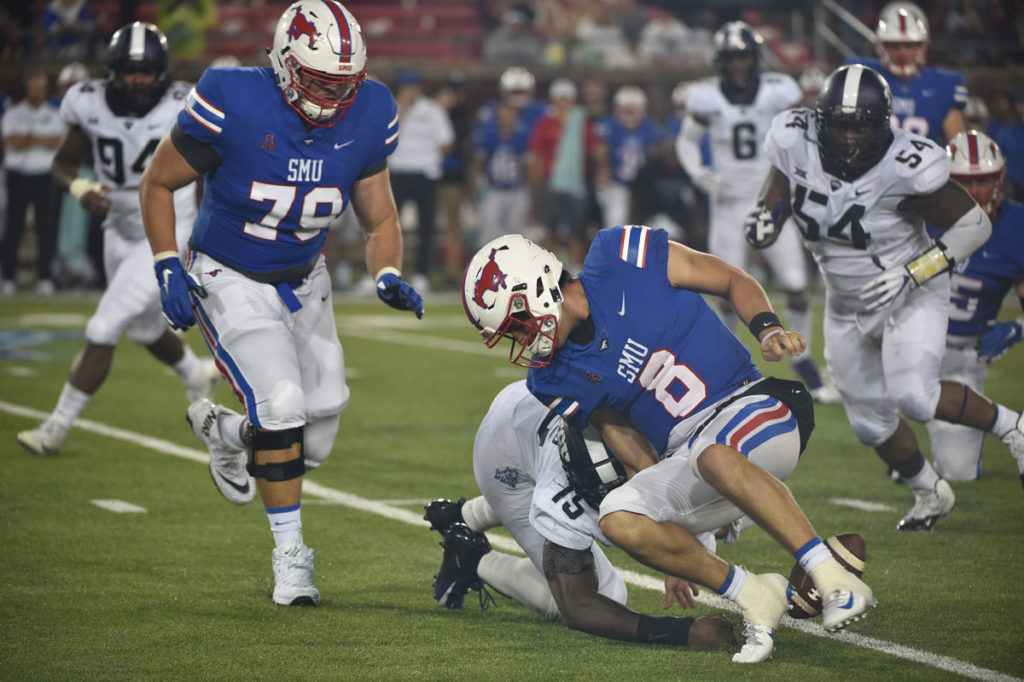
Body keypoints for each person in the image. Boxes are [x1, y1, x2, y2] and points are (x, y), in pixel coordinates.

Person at [461, 230, 875, 663]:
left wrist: (767, 328)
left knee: (713, 453)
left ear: (540, 284)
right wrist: (678, 556)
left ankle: (831, 576)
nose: (522, 341)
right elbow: (632, 450)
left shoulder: (617, 255)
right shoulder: (549, 378)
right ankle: (757, 594)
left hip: (751, 402)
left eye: (519, 324)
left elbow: (732, 279)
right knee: (618, 518)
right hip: (692, 454)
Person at [138, 0, 423, 606]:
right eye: (320, 79)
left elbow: (381, 219)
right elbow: (159, 181)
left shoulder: (371, 110)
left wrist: (388, 271)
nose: (333, 94)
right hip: (228, 271)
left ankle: (226, 431)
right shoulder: (231, 95)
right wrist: (166, 264)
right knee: (284, 403)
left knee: (311, 441)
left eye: (344, 83)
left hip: (303, 277)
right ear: (286, 62)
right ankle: (291, 559)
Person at [747, 64, 1024, 529]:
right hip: (844, 300)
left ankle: (1013, 428)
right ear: (819, 120)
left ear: (883, 125)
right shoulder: (793, 138)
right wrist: (766, 214)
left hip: (909, 292)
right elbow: (780, 181)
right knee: (869, 425)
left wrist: (914, 272)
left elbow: (975, 225)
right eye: (840, 124)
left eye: (860, 126)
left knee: (915, 396)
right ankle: (930, 493)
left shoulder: (906, 164)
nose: (850, 137)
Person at [16, 24, 218, 455]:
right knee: (144, 329)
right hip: (117, 225)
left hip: (168, 225)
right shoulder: (86, 103)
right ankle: (194, 374)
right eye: (129, 70)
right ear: (113, 70)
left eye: (145, 72)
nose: (137, 80)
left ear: (162, 73)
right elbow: (64, 162)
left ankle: (56, 427)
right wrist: (80, 189)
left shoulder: (185, 103)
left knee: (104, 325)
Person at [423, 381, 736, 651]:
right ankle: (470, 557)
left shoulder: (651, 429)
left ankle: (462, 514)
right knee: (607, 592)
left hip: (527, 412)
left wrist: (682, 551)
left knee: (723, 502)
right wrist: (685, 633)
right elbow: (578, 606)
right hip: (503, 457)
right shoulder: (559, 493)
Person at [676, 21, 839, 404]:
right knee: (722, 291)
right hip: (728, 203)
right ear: (721, 61)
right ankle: (727, 370)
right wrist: (699, 173)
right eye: (732, 57)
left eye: (743, 57)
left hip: (771, 201)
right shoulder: (705, 97)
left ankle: (804, 363)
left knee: (797, 285)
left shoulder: (779, 92)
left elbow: (802, 132)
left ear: (755, 58)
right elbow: (686, 141)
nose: (738, 65)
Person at [925, 131, 1024, 485]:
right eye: (966, 182)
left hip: (963, 355)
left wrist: (1017, 327)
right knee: (868, 410)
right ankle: (905, 462)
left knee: (958, 472)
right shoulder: (918, 213)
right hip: (903, 341)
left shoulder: (1016, 226)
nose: (977, 191)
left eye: (984, 181)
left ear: (1000, 179)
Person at [845, 3, 966, 145]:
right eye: (893, 45)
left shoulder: (944, 85)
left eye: (909, 45)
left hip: (925, 166)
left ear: (922, 45)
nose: (902, 53)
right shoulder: (862, 75)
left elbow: (959, 147)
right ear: (881, 45)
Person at [528, 78, 608, 271]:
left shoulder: (581, 121)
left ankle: (575, 269)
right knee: (550, 230)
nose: (563, 103)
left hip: (576, 184)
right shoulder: (545, 123)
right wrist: (535, 184)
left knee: (577, 230)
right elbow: (535, 156)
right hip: (551, 182)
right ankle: (547, 270)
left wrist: (603, 168)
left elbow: (596, 148)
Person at [387, 69, 454, 294]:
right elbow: (385, 137)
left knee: (427, 227)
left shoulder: (432, 110)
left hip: (425, 173)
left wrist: (428, 156)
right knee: (388, 226)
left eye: (413, 86)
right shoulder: (392, 107)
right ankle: (385, 271)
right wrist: (403, 110)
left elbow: (446, 142)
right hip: (398, 172)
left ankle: (422, 274)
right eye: (407, 87)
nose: (410, 91)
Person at [0, 69, 65, 295]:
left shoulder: (54, 114)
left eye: (40, 87)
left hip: (44, 176)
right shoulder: (13, 113)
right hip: (18, 175)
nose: (36, 91)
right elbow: (12, 142)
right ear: (27, 88)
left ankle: (45, 278)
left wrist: (29, 138)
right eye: (33, 86)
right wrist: (41, 139)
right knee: (13, 227)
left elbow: (58, 141)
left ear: (45, 89)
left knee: (46, 228)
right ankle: (8, 277)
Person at [595, 85, 662, 229]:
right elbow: (601, 151)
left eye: (633, 111)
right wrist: (603, 171)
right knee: (615, 222)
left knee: (650, 225)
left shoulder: (649, 127)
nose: (630, 116)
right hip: (617, 183)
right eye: (626, 111)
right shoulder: (610, 126)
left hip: (644, 186)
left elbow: (656, 154)